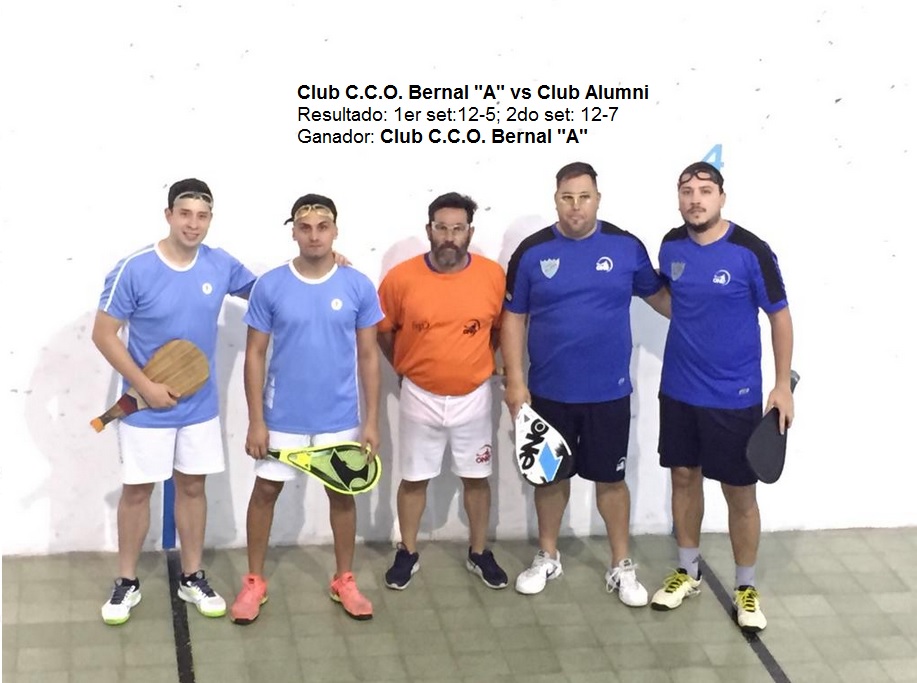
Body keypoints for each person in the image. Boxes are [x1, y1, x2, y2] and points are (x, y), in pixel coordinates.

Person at [502, 162, 669, 604]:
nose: (576, 206)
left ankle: (621, 565)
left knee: (611, 482)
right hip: (548, 393)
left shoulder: (625, 247)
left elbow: (662, 299)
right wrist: (515, 381)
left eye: (584, 197)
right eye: (567, 198)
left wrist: (714, 313)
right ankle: (547, 556)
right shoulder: (532, 252)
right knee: (549, 479)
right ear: (555, 200)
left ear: (598, 199)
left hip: (608, 393)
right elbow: (513, 317)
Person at [92, 178, 256, 625]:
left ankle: (191, 576)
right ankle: (127, 581)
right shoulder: (135, 268)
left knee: (192, 488)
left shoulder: (220, 264)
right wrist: (145, 386)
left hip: (199, 409)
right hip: (146, 409)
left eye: (202, 216)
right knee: (137, 492)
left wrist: (325, 263)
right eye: (185, 214)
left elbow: (269, 292)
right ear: (168, 215)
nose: (193, 224)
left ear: (210, 220)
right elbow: (103, 334)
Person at [650, 161, 794, 633]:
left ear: (721, 198)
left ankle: (746, 586)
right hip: (678, 389)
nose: (695, 199)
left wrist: (780, 386)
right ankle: (687, 571)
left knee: (739, 493)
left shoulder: (751, 251)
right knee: (683, 478)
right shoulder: (671, 245)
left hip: (734, 395)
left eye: (705, 190)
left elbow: (779, 316)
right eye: (686, 191)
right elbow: (676, 303)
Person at [229, 194, 382, 623]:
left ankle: (344, 579)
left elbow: (369, 356)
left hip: (339, 417)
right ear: (293, 231)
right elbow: (254, 354)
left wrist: (372, 421)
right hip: (281, 417)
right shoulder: (271, 285)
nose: (314, 235)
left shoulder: (357, 285)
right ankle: (254, 582)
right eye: (305, 226)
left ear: (335, 230)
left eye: (322, 226)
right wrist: (256, 420)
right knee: (265, 492)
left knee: (342, 495)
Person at [377, 192, 508, 591]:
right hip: (419, 396)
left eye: (457, 228)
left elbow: (500, 329)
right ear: (429, 230)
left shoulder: (492, 276)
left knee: (477, 477)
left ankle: (479, 552)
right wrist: (404, 366)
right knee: (414, 478)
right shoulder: (400, 278)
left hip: (474, 396)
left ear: (470, 232)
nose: (449, 236)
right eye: (441, 228)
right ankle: (407, 551)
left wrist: (478, 363)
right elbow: (384, 331)